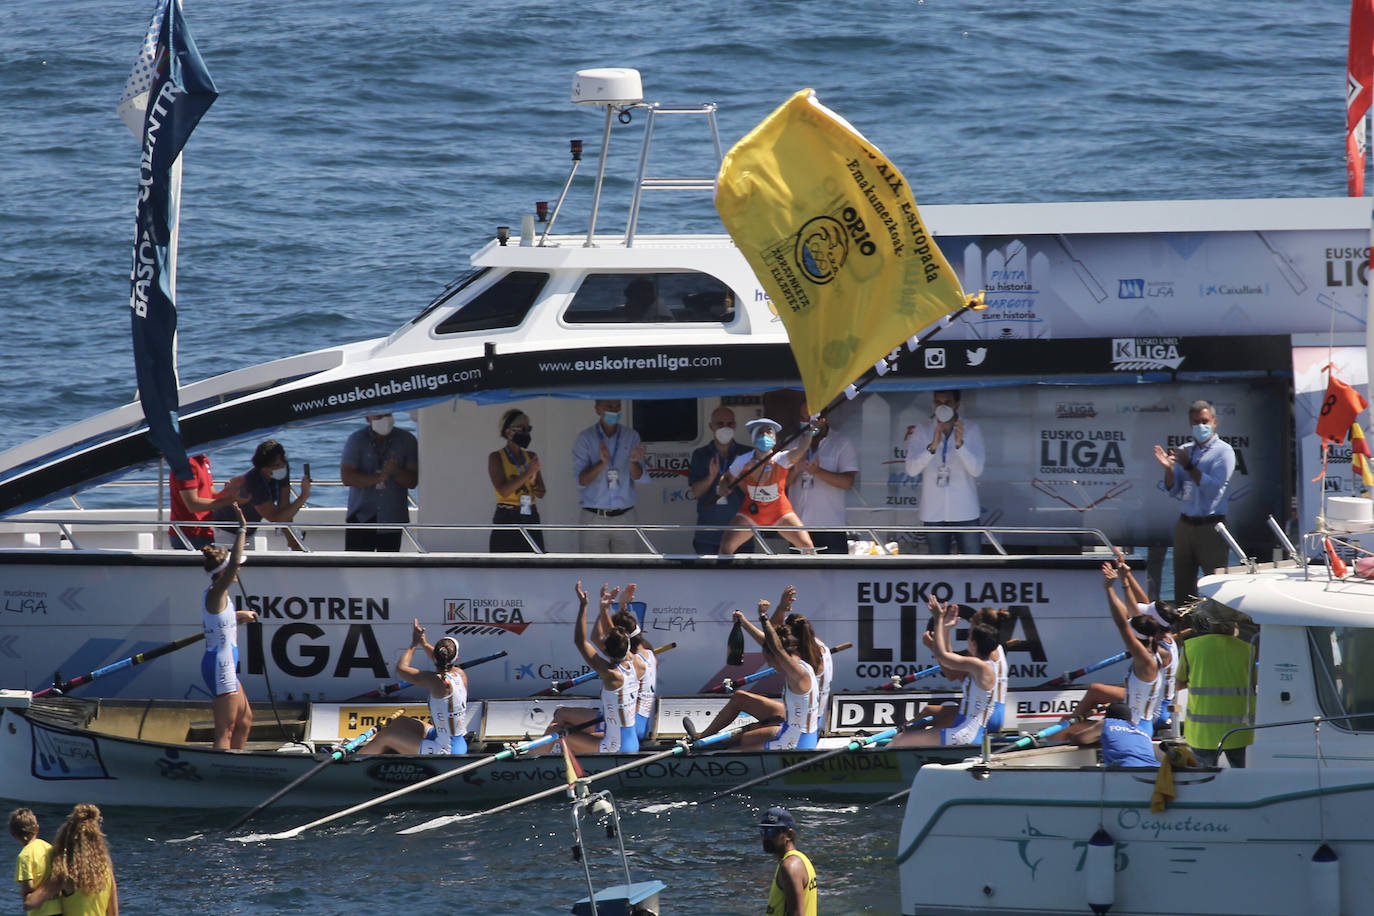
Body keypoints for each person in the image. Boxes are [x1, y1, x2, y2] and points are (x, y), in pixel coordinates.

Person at [1060, 563, 1170, 745]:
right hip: (1141, 723)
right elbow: (1133, 613)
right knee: (1076, 729)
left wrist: (1109, 589)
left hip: (1133, 727)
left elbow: (1121, 623)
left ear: (1136, 637)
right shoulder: (1161, 651)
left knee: (1068, 730)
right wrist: (1124, 581)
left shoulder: (1144, 660)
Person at [694, 597, 821, 751]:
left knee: (730, 753)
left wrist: (763, 617)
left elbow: (776, 647)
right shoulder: (799, 661)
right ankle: (702, 738)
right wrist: (744, 622)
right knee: (747, 737)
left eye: (768, 659)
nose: (768, 664)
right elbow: (771, 644)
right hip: (798, 731)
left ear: (777, 655)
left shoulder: (797, 672)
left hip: (794, 743)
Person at [1153, 399, 1236, 605]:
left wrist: (1189, 465)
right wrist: (1169, 469)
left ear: (1214, 422)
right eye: (1196, 422)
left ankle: (1220, 633)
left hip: (1211, 527)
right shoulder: (1185, 450)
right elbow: (1173, 490)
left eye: (1205, 421)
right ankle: (1184, 634)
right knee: (1182, 588)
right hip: (1185, 525)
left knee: (1217, 589)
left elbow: (1212, 487)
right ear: (1190, 424)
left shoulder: (1224, 452)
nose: (1201, 426)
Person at [887, 597, 999, 747]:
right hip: (966, 731)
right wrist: (946, 628)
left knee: (899, 740)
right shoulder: (981, 665)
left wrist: (938, 620)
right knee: (908, 736)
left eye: (969, 636)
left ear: (973, 643)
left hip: (964, 734)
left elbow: (942, 656)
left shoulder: (979, 666)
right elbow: (951, 669)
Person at [544, 581, 640, 754]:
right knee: (562, 717)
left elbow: (580, 642)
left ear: (605, 650)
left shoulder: (612, 675)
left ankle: (531, 763)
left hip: (614, 747)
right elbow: (619, 637)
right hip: (631, 742)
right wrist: (605, 607)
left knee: (554, 731)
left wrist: (583, 606)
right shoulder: (633, 661)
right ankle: (557, 752)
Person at [358, 619, 468, 755]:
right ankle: (376, 751)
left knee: (386, 736)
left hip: (447, 749)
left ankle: (355, 762)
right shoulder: (460, 674)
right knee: (399, 723)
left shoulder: (434, 680)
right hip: (451, 739)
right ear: (456, 659)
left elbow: (401, 669)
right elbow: (439, 659)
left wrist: (414, 643)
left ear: (435, 657)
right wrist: (424, 643)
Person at [200, 504, 259, 750]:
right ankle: (222, 769)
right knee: (226, 728)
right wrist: (242, 529)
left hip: (227, 662)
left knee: (245, 721)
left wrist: (238, 616)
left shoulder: (219, 597)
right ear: (223, 573)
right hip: (220, 664)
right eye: (234, 570)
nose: (239, 571)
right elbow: (234, 563)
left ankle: (237, 762)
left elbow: (219, 619)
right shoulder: (216, 591)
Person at [716, 418, 817, 556]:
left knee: (807, 547)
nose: (765, 436)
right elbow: (726, 478)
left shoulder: (781, 459)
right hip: (750, 513)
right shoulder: (743, 460)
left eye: (769, 432)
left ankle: (813, 577)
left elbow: (801, 449)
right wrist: (723, 486)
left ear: (774, 439)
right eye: (760, 433)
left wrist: (810, 431)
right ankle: (724, 576)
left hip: (781, 512)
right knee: (726, 546)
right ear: (753, 438)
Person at [903, 389, 985, 555]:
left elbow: (976, 470)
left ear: (957, 405)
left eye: (947, 403)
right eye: (938, 403)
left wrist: (960, 445)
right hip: (934, 513)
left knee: (974, 565)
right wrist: (932, 447)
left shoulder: (971, 429)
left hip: (965, 511)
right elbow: (911, 470)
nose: (942, 407)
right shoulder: (923, 430)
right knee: (938, 567)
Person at [1111, 546, 1180, 732]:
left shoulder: (1155, 646)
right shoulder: (1165, 637)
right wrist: (1125, 571)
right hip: (1162, 703)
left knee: (1096, 692)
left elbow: (1129, 615)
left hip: (1155, 714)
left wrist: (1119, 583)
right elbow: (1143, 601)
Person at [1177, 616, 1255, 767]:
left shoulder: (1191, 646)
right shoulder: (1248, 649)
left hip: (1202, 732)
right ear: (1234, 627)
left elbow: (1179, 684)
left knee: (1205, 780)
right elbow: (1253, 685)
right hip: (1239, 732)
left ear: (1211, 625)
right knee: (1241, 777)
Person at [572, 400, 646, 553]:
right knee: (593, 572)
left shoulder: (631, 435)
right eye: (609, 407)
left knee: (627, 571)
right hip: (594, 517)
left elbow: (639, 476)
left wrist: (633, 462)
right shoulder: (585, 438)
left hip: (625, 516)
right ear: (597, 409)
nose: (615, 411)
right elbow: (582, 479)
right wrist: (602, 463)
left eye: (618, 406)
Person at [339, 412, 419, 552]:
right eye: (378, 416)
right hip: (361, 517)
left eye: (387, 415)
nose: (384, 420)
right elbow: (347, 477)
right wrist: (378, 478)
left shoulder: (407, 440)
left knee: (389, 569)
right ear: (367, 418)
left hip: (393, 519)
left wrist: (395, 472)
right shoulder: (357, 439)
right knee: (356, 569)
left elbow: (412, 482)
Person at [787, 400, 858, 556]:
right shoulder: (792, 443)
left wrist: (818, 472)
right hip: (797, 527)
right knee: (797, 577)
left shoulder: (841, 443)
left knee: (834, 577)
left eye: (809, 416)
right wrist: (796, 469)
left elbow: (848, 482)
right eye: (802, 417)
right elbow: (780, 484)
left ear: (822, 418)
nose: (805, 421)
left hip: (830, 527)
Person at [23, 804, 118, 916]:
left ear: (67, 840)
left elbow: (30, 903)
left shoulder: (67, 874)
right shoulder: (106, 870)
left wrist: (26, 890)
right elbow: (114, 913)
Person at [595, 582, 658, 741]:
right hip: (643, 725)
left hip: (630, 729)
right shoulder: (649, 652)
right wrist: (622, 606)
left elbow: (596, 637)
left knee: (562, 716)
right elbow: (630, 633)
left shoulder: (631, 661)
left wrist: (604, 608)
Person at [687, 406, 752, 554]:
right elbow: (696, 492)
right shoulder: (700, 454)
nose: (725, 428)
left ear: (735, 425)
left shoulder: (747, 454)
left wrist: (738, 478)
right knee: (707, 577)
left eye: (729, 424)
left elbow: (754, 494)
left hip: (741, 535)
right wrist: (711, 477)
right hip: (708, 536)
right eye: (720, 424)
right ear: (711, 426)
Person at [769, 585, 834, 730]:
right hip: (816, 717)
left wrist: (781, 607)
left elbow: (770, 635)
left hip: (802, 723)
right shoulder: (818, 645)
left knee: (741, 701)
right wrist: (782, 608)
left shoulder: (798, 656)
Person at [213, 439, 311, 531]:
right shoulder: (253, 482)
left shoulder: (282, 469)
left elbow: (284, 508)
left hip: (250, 528)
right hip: (227, 528)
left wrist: (293, 542)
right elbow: (275, 518)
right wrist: (303, 496)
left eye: (282, 463)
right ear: (264, 468)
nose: (281, 467)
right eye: (276, 465)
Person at [487, 409, 547, 553]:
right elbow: (504, 490)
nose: (526, 433)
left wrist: (533, 482)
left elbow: (541, 493)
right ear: (509, 433)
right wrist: (527, 473)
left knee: (535, 564)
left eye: (528, 429)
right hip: (507, 516)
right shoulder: (496, 457)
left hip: (530, 515)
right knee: (504, 566)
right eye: (522, 429)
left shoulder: (531, 456)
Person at [167, 453, 241, 550]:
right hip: (189, 533)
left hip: (205, 530)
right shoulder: (186, 463)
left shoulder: (203, 459)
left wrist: (228, 491)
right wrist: (232, 499)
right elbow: (192, 505)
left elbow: (211, 494)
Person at [758, 806, 818, 916]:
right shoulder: (799, 859)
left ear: (789, 835)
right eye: (763, 831)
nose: (766, 837)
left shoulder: (790, 866)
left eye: (772, 832)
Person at [10, 808, 61, 916]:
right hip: (58, 907)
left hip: (40, 912)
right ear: (37, 829)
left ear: (13, 835)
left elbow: (29, 886)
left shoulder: (24, 856)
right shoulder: (49, 847)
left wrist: (24, 895)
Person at [1099, 701, 1161, 768]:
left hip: (1127, 770)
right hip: (1155, 769)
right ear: (1131, 719)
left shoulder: (1107, 723)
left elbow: (1085, 738)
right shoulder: (1142, 730)